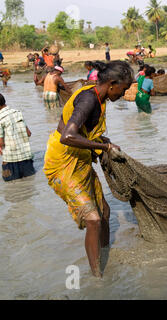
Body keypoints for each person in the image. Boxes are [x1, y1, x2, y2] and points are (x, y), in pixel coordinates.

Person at [44, 61, 134, 278]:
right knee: (93, 219)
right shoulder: (89, 98)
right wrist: (104, 146)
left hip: (80, 160)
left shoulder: (100, 99)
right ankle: (97, 276)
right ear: (112, 84)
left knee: (104, 212)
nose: (124, 94)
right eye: (124, 89)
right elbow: (68, 136)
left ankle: (104, 256)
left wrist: (102, 140)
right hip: (63, 164)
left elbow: (84, 132)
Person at [0, 94, 35, 182]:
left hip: (10, 159)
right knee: (29, 184)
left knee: (11, 188)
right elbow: (29, 133)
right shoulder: (18, 112)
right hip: (26, 157)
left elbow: (1, 143)